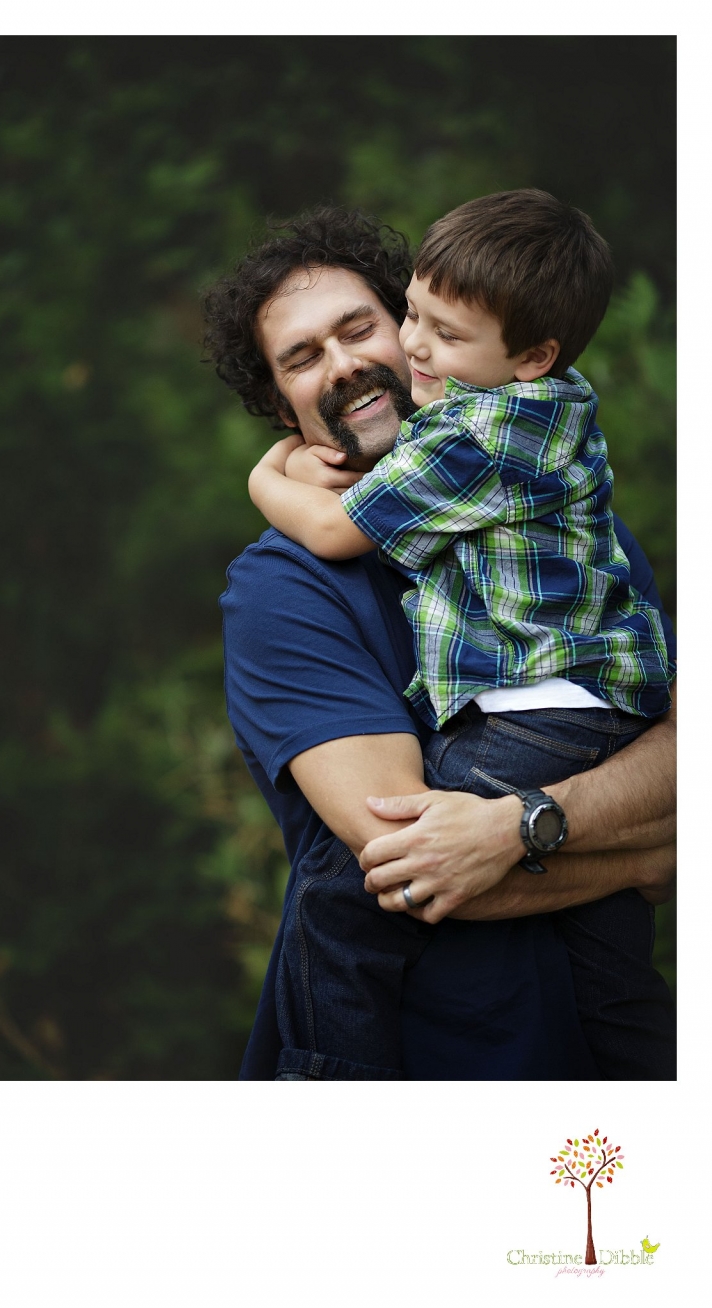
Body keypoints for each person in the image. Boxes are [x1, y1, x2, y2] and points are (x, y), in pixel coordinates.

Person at [204, 205, 676, 1081]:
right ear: (280, 402)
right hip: (440, 1063)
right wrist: (636, 841)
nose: (345, 365)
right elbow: (412, 860)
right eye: (304, 358)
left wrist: (532, 827)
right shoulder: (283, 590)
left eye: (359, 329)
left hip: (594, 1079)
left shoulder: (563, 535)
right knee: (346, 897)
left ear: (408, 327)